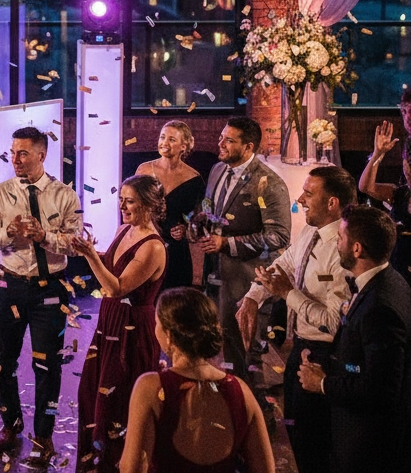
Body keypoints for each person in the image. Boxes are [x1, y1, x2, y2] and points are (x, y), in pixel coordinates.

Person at [236, 166, 356, 473]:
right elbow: (283, 264)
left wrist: (288, 294)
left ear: (332, 203)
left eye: (309, 193)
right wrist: (253, 296)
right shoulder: (310, 231)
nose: (300, 199)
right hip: (300, 348)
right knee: (297, 433)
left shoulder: (343, 249)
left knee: (316, 445)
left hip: (326, 358)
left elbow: (333, 321)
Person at [0, 126, 82, 462]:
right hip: (9, 286)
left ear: (41, 154)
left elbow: (76, 245)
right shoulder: (0, 193)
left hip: (50, 288)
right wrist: (9, 232)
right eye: (13, 152)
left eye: (23, 153)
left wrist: (45, 236)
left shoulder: (65, 195)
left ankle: (43, 435)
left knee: (48, 365)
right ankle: (11, 424)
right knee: (0, 362)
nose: (16, 159)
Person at [297, 204, 411, 472]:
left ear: (357, 249)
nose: (336, 244)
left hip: (367, 446)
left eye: (340, 239)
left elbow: (380, 390)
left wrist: (323, 384)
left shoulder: (381, 307)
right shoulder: (390, 280)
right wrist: (330, 365)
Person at [120, 287, 275, 473]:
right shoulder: (241, 391)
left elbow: (131, 469)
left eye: (156, 323)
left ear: (168, 335)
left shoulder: (150, 387)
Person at [72, 175, 168, 473]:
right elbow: (112, 264)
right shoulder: (124, 228)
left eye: (130, 201)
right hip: (108, 321)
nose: (122, 206)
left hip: (133, 329)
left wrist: (90, 256)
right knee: (92, 394)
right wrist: (84, 251)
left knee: (120, 403)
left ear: (149, 205)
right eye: (121, 198)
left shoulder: (153, 247)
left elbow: (116, 287)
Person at [199, 117, 290, 385]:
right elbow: (208, 204)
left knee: (247, 352)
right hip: (216, 274)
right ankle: (232, 401)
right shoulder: (217, 169)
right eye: (221, 137)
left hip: (247, 279)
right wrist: (199, 220)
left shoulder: (270, 183)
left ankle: (257, 413)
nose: (221, 143)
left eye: (229, 140)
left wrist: (227, 244)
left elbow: (278, 235)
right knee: (224, 342)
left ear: (248, 147)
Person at [135, 122, 205, 290]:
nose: (164, 143)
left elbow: (198, 220)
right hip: (145, 245)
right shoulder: (143, 171)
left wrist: (185, 229)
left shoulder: (195, 179)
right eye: (162, 137)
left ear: (184, 146)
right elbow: (129, 208)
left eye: (171, 139)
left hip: (176, 252)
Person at [358, 90, 411, 289]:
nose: (407, 117)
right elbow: (366, 187)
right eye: (404, 111)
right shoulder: (402, 194)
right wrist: (378, 154)